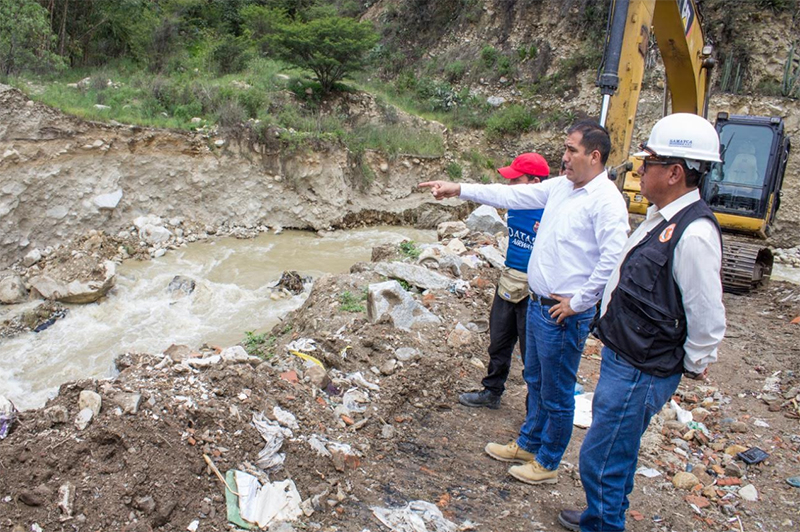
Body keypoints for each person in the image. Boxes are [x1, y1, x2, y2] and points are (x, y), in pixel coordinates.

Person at [420, 120, 629, 485]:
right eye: (565, 149)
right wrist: (459, 189)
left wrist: (580, 302)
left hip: (562, 313)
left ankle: (548, 462)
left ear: (595, 156)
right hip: (537, 302)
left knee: (557, 392)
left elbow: (614, 258)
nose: (564, 157)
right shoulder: (562, 187)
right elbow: (511, 196)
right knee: (535, 378)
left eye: (572, 150)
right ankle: (529, 444)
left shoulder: (606, 201)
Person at [557, 113, 727, 532]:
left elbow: (707, 313)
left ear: (674, 173)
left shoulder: (694, 234)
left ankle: (603, 524)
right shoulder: (662, 218)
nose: (639, 170)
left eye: (648, 163)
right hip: (628, 357)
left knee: (603, 454)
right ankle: (602, 514)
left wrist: (694, 361)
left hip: (643, 367)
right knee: (614, 448)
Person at [459, 153, 550, 410]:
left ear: (534, 182)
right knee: (499, 341)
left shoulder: (552, 211)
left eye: (515, 180)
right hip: (509, 278)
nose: (510, 186)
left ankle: (535, 409)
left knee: (532, 354)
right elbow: (491, 193)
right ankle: (492, 391)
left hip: (535, 288)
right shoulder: (514, 205)